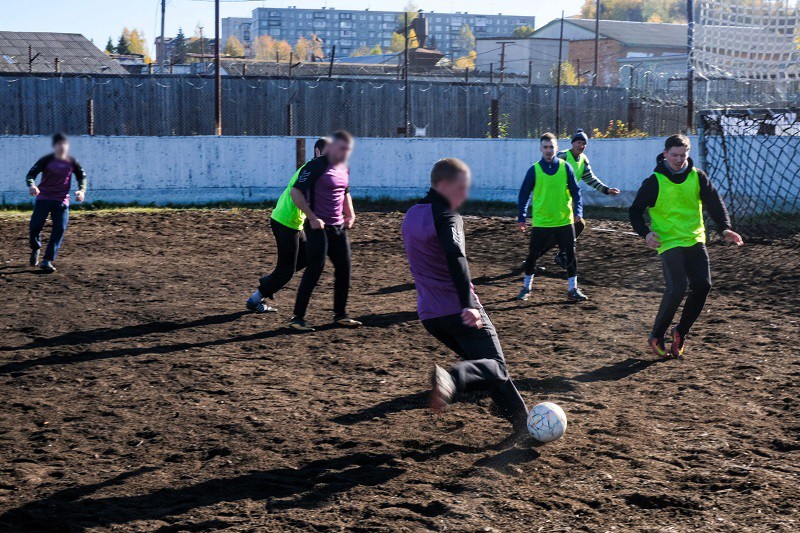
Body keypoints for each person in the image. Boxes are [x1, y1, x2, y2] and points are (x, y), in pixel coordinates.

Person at [402, 158, 529, 434]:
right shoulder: (447, 215)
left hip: (430, 316)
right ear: (444, 185)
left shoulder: (411, 214)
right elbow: (455, 254)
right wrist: (469, 305)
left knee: (485, 367)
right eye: (461, 187)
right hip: (459, 310)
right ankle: (452, 378)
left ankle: (523, 425)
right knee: (496, 367)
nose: (465, 194)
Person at [629, 134, 743, 358]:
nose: (679, 159)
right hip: (669, 242)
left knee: (703, 285)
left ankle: (681, 331)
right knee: (678, 288)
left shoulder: (698, 177)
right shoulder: (653, 182)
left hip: (694, 239)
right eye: (674, 155)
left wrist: (724, 228)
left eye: (683, 155)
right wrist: (646, 233)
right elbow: (634, 212)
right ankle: (657, 335)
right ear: (665, 154)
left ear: (688, 154)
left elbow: (714, 202)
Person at [246, 137, 330, 314]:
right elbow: (298, 195)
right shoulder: (312, 169)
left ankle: (269, 282)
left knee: (307, 257)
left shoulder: (316, 168)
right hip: (286, 222)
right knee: (286, 271)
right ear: (318, 152)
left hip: (290, 222)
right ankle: (256, 299)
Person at [288, 130, 361, 332]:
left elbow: (345, 192)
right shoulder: (315, 166)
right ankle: (298, 317)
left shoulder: (344, 167)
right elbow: (296, 192)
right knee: (315, 269)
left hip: (338, 227)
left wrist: (351, 215)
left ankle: (341, 315)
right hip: (317, 227)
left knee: (344, 269)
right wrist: (312, 217)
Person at [516, 133, 587, 302]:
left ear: (556, 148)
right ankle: (526, 288)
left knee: (570, 254)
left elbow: (576, 191)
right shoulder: (534, 170)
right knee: (533, 254)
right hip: (542, 222)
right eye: (545, 147)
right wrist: (522, 217)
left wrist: (578, 211)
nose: (548, 150)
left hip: (564, 220)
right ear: (541, 148)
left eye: (551, 147)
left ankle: (573, 289)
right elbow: (524, 194)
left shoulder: (565, 167)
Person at [547, 129, 621, 269]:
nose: (581, 145)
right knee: (556, 231)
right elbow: (548, 169)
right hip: (554, 201)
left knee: (578, 224)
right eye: (578, 142)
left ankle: (561, 253)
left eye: (583, 143)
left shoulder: (583, 160)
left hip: (567, 202)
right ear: (572, 143)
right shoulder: (563, 155)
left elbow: (590, 179)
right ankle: (537, 258)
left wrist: (606, 190)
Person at [25, 133, 87, 273]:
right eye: (59, 144)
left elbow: (82, 178)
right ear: (54, 146)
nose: (62, 147)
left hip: (61, 200)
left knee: (60, 228)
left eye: (65, 144)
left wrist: (82, 191)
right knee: (35, 226)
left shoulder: (72, 161)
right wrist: (32, 185)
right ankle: (36, 247)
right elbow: (30, 175)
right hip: (44, 197)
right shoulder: (46, 159)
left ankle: (47, 260)